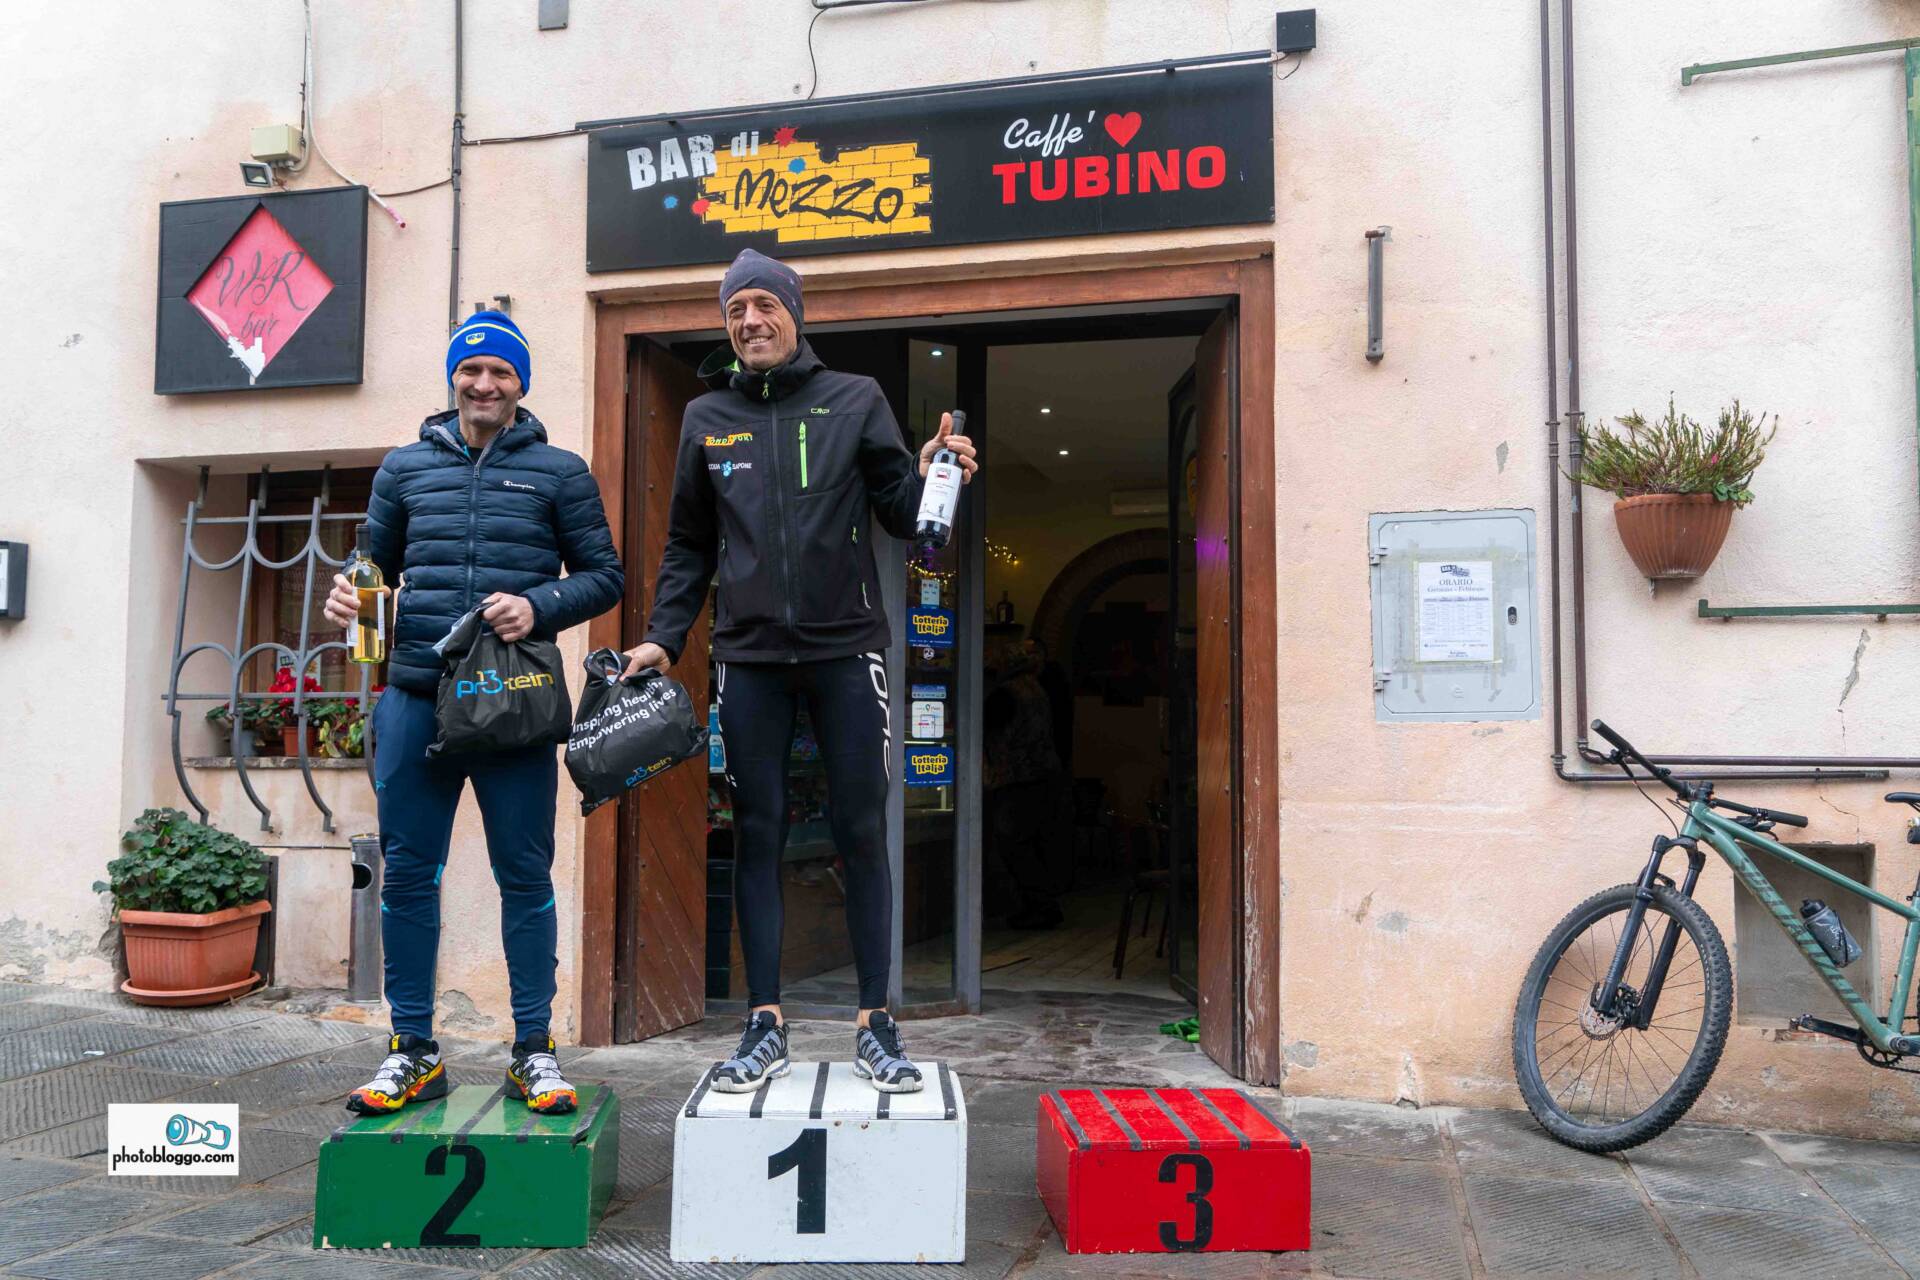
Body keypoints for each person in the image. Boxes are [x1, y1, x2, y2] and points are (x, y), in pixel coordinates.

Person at [623, 249, 978, 1093]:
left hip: (847, 648)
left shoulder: (856, 398)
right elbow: (688, 544)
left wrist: (936, 472)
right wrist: (664, 639)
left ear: (794, 313)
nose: (750, 321)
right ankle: (764, 1023)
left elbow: (902, 515)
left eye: (763, 305)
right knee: (759, 834)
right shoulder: (707, 417)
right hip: (748, 659)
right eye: (735, 310)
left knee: (861, 830)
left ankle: (875, 1024)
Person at [323, 310, 623, 1116]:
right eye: (471, 370)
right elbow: (372, 564)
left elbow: (604, 576)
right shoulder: (402, 469)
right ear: (453, 377)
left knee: (523, 876)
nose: (484, 384)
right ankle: (412, 1052)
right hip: (415, 700)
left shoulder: (560, 473)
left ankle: (534, 1052)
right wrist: (349, 591)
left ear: (521, 384)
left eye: (500, 372)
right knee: (407, 875)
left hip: (512, 705)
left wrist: (539, 605)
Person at [983, 632, 1065, 929]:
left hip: (1016, 778)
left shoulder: (1006, 694)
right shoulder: (1035, 688)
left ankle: (1039, 905)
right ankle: (1039, 904)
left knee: (1013, 843)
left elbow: (986, 729)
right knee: (1029, 841)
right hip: (1041, 775)